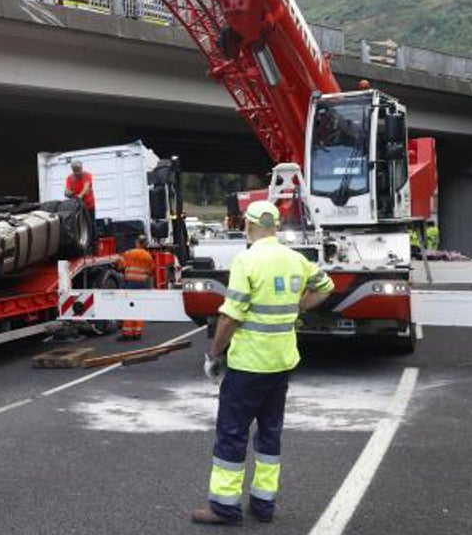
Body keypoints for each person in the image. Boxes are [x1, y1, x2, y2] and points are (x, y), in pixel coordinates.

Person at [190, 201, 334, 526]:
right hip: (281, 363)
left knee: (231, 432)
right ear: (277, 226)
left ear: (248, 225)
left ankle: (225, 508)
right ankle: (263, 504)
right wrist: (299, 306)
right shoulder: (296, 259)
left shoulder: (247, 259)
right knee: (270, 434)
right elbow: (326, 286)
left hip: (248, 365)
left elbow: (231, 315)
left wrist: (214, 355)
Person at [116, 235, 155, 341]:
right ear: (145, 244)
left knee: (129, 307)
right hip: (142, 283)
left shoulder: (129, 253)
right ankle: (137, 332)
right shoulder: (148, 256)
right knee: (139, 308)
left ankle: (127, 333)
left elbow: (120, 265)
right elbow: (151, 271)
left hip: (130, 283)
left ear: (137, 243)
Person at [64, 160, 96, 240]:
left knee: (91, 224)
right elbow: (67, 189)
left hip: (88, 205)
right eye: (75, 170)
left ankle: (94, 242)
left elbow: (86, 187)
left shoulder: (87, 175)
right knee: (78, 224)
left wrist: (80, 195)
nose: (77, 172)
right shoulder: (70, 178)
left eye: (78, 169)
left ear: (81, 168)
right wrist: (68, 193)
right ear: (72, 170)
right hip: (77, 206)